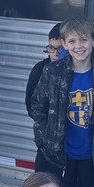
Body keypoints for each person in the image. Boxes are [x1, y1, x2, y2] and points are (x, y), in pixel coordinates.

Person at [29, 17, 94, 187]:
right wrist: (45, 140)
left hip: (91, 155)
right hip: (59, 154)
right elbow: (37, 106)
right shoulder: (52, 72)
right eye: (72, 41)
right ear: (64, 44)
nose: (78, 46)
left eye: (84, 40)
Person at [25, 23, 64, 177]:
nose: (54, 53)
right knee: (42, 180)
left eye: (59, 49)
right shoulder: (40, 69)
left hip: (71, 144)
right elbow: (31, 106)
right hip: (46, 141)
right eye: (50, 48)